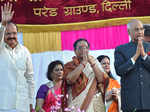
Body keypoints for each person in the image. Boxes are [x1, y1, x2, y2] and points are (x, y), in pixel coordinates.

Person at [0, 3, 35, 112]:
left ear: (18, 33)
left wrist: (31, 102)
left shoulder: (25, 51)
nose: (11, 36)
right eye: (8, 33)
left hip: (22, 105)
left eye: (14, 33)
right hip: (4, 105)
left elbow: (30, 79)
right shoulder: (1, 49)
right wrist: (3, 24)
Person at [114, 19, 150, 112]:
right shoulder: (120, 49)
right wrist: (135, 57)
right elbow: (119, 71)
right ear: (129, 32)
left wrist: (144, 55)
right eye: (136, 29)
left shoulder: (149, 47)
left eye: (141, 29)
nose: (140, 32)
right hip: (131, 102)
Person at [64, 38, 106, 112]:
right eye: (80, 48)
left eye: (86, 47)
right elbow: (70, 80)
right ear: (75, 51)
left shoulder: (95, 63)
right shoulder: (69, 65)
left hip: (93, 102)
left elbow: (101, 79)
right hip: (76, 103)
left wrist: (92, 63)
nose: (84, 50)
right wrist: (83, 63)